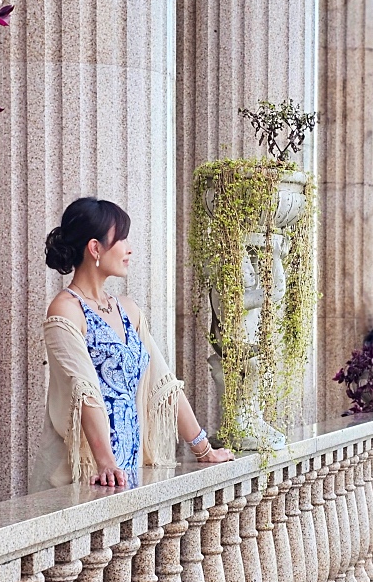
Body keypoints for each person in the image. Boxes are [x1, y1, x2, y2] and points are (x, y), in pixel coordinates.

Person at [33, 197, 233, 490]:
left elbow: (163, 382)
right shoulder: (65, 310)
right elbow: (84, 390)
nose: (129, 248)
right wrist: (106, 463)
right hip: (90, 474)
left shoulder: (128, 310)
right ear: (95, 248)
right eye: (121, 239)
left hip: (129, 469)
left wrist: (203, 449)